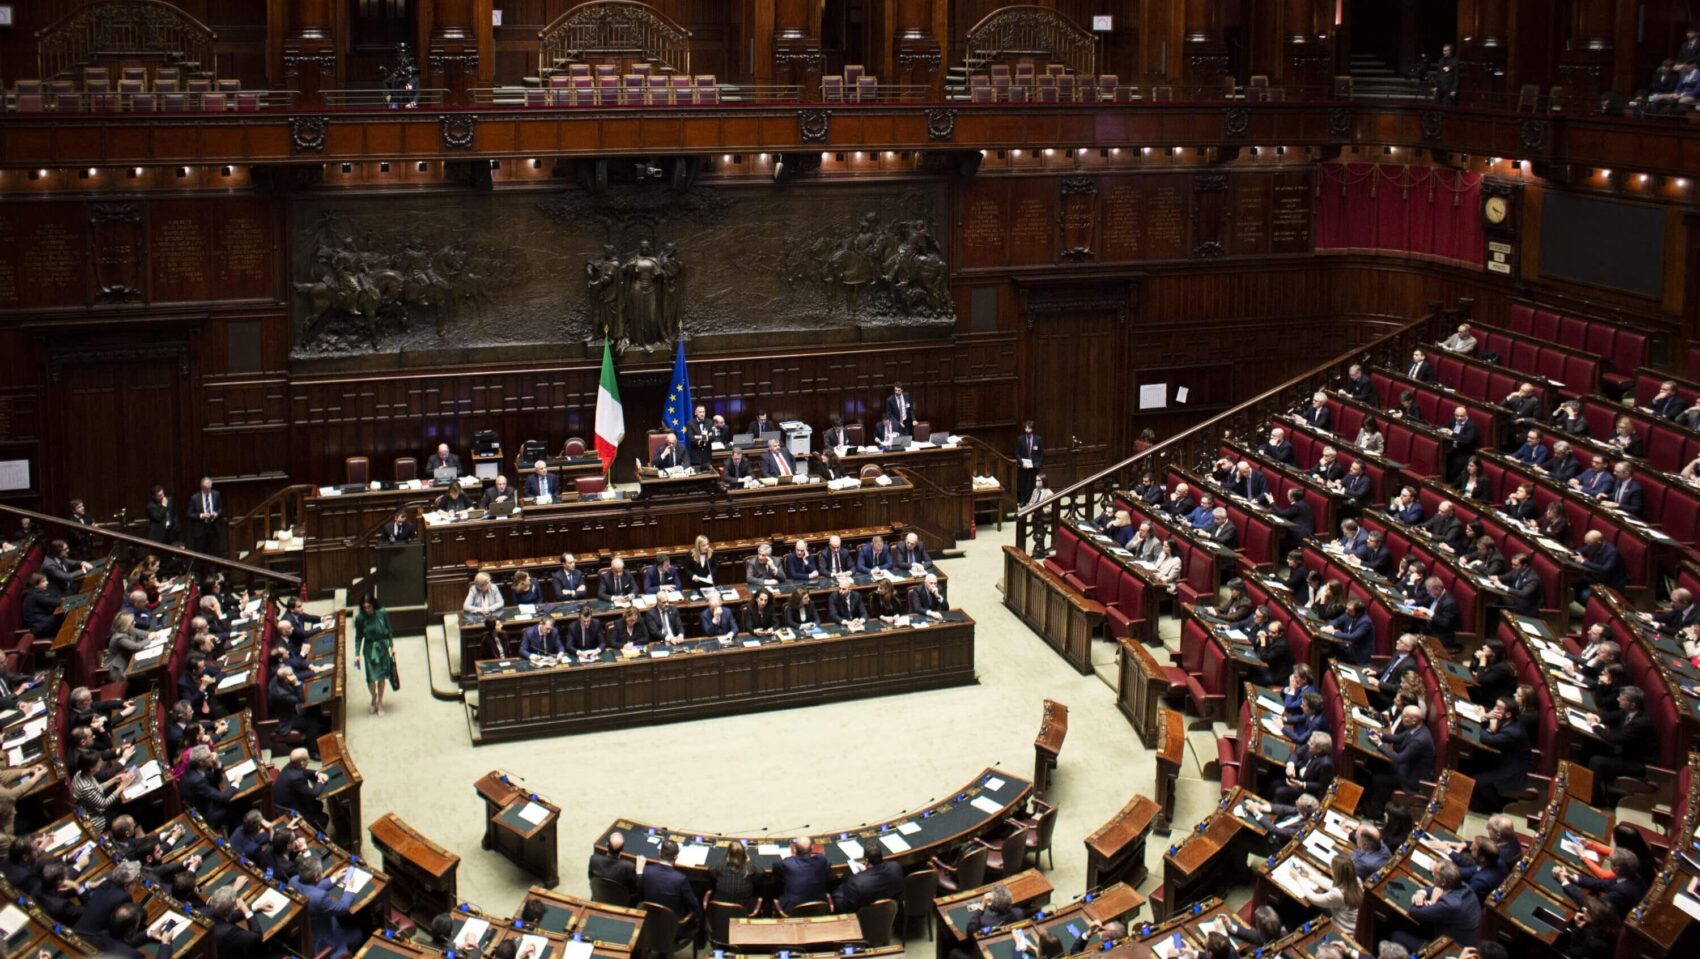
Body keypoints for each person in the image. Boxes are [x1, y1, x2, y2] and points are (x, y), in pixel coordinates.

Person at [288, 855, 365, 959]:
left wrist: (333, 879)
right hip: (325, 941)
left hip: (306, 933)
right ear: (317, 877)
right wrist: (349, 890)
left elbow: (308, 888)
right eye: (321, 873)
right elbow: (343, 908)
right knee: (359, 933)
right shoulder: (320, 897)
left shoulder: (293, 881)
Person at [1393, 861, 1480, 950]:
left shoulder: (1450, 904)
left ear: (1443, 882)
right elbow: (1436, 889)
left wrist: (1432, 901)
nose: (1433, 876)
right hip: (1460, 935)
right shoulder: (1464, 886)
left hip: (1451, 949)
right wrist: (1422, 893)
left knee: (1397, 935)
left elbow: (1414, 911)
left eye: (1434, 875)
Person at [1368, 706, 1435, 816]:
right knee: (1375, 764)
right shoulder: (1416, 727)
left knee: (1378, 779)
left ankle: (1375, 812)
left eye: (1404, 717)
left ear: (1413, 720)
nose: (1402, 718)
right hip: (1405, 768)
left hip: (1410, 779)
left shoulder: (1420, 740)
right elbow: (1398, 738)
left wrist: (1379, 744)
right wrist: (1380, 735)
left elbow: (1400, 759)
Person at [1556, 849, 1648, 915]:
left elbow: (1592, 908)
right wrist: (1573, 878)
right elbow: (1603, 884)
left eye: (1611, 862)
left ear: (1617, 869)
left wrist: (1565, 883)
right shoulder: (1632, 876)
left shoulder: (1621, 892)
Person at [831, 842, 904, 914]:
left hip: (864, 920)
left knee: (837, 894)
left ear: (866, 861)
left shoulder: (856, 881)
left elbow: (848, 909)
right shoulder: (896, 867)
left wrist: (839, 888)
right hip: (890, 912)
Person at [1298, 852, 1363, 931]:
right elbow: (1331, 885)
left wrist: (1298, 878)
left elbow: (1314, 899)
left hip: (1344, 929)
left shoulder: (1338, 895)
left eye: (1331, 868)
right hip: (1356, 923)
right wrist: (1309, 876)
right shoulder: (1357, 880)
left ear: (1337, 873)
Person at [274, 748, 330, 831]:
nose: (309, 761)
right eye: (307, 760)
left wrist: (317, 773)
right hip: (290, 812)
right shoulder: (296, 778)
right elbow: (314, 793)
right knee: (324, 818)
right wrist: (321, 781)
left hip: (284, 803)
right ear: (302, 762)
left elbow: (303, 771)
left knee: (318, 805)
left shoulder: (290, 766)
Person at [774, 836, 830, 914]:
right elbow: (826, 863)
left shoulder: (788, 863)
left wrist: (793, 856)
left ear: (795, 849)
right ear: (812, 848)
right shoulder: (821, 860)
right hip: (819, 908)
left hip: (792, 910)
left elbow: (775, 866)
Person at [206, 884, 264, 959]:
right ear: (234, 907)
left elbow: (226, 917)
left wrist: (255, 907)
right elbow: (257, 936)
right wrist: (245, 909)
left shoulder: (205, 910)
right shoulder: (229, 931)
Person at [1554, 895, 1621, 959]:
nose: (1583, 909)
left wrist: (1578, 928)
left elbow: (1574, 954)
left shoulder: (1595, 943)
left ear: (1595, 917)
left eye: (1588, 910)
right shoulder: (1612, 928)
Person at [709, 840, 761, 913]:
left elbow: (711, 871)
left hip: (720, 911)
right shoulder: (750, 867)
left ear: (728, 853)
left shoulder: (719, 865)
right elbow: (760, 872)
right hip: (743, 910)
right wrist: (749, 859)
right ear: (744, 854)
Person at [589, 832, 639, 899]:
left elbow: (591, 877)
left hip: (599, 895)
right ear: (622, 849)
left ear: (607, 845)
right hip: (620, 901)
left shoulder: (594, 859)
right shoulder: (629, 867)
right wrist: (639, 873)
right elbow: (634, 890)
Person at [1015, 420, 1044, 505]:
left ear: (1032, 429)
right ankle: (1023, 500)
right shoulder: (1020, 439)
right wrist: (1021, 463)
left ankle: (1033, 501)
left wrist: (1038, 464)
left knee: (1033, 484)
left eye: (1029, 428)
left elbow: (1041, 453)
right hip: (1024, 465)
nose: (1027, 430)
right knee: (1023, 484)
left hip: (1034, 465)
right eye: (1026, 428)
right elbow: (1017, 453)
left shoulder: (1038, 439)